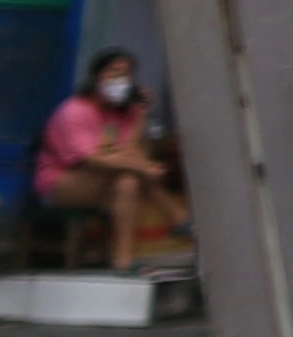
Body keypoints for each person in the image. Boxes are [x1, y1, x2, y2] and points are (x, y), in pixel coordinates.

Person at [36, 48, 184, 271]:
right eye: (114, 73)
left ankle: (123, 261)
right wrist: (143, 167)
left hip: (106, 184)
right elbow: (91, 159)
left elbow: (130, 150)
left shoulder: (124, 113)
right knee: (131, 172)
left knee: (128, 182)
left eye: (127, 75)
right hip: (62, 183)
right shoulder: (74, 111)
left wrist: (141, 113)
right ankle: (178, 218)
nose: (121, 81)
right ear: (97, 76)